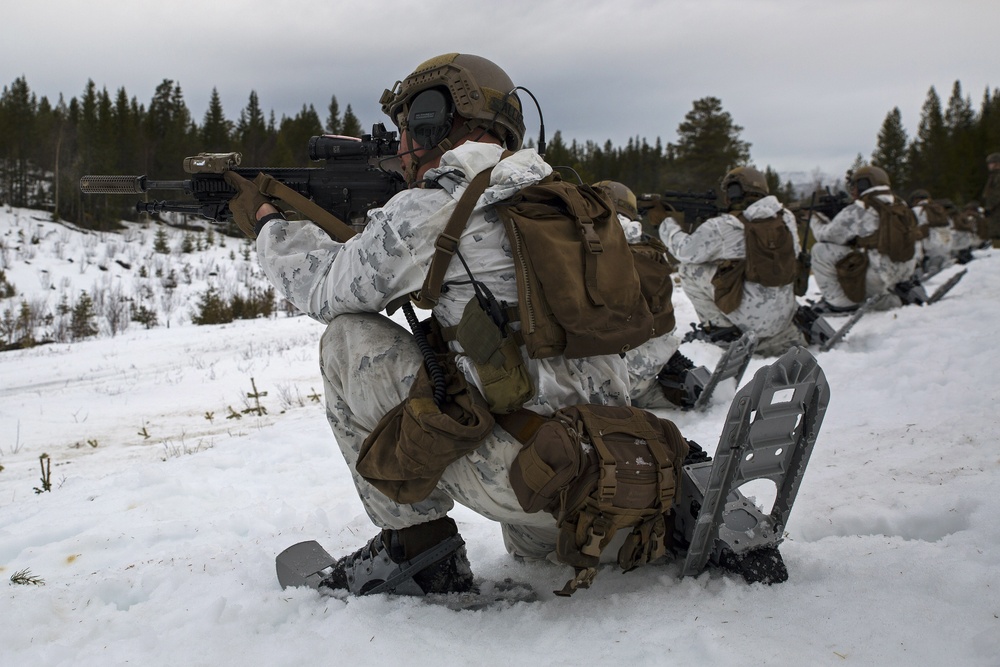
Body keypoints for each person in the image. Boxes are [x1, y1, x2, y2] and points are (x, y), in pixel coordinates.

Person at [223, 54, 683, 597]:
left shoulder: (433, 208)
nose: (400, 145)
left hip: (522, 480)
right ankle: (664, 513)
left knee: (348, 337)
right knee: (529, 547)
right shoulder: (583, 207)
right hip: (600, 472)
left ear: (438, 120)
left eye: (409, 126)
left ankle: (419, 555)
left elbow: (322, 287)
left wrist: (266, 224)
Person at [658, 166, 806, 357]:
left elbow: (684, 250)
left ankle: (721, 331)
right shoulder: (787, 219)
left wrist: (665, 222)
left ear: (734, 192)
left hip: (750, 320)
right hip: (783, 318)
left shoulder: (723, 226)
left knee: (689, 269)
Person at [810, 165, 919, 313]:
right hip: (903, 273)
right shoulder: (901, 205)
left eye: (854, 185)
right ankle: (890, 299)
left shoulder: (860, 208)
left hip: (878, 276)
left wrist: (815, 219)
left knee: (819, 250)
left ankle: (840, 304)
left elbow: (825, 235)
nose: (853, 190)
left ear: (864, 184)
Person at [908, 189, 952, 275]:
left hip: (927, 250)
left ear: (916, 200)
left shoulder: (916, 211)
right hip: (945, 247)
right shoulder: (940, 210)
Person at [982, 152, 1000, 246]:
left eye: (991, 163)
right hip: (995, 209)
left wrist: (989, 207)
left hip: (996, 210)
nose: (989, 165)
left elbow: (997, 193)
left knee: (996, 232)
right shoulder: (994, 176)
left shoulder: (997, 176)